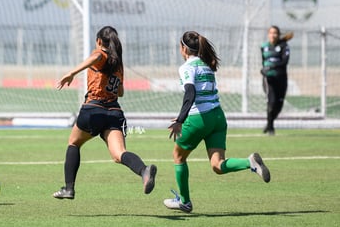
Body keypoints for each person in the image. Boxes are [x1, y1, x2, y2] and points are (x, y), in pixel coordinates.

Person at [163, 31, 271, 213]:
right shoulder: (206, 64)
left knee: (178, 156)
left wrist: (180, 120)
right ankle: (249, 162)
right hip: (218, 118)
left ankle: (185, 201)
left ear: (183, 48)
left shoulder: (186, 67)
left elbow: (190, 93)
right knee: (217, 165)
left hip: (200, 119)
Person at [53, 26, 157, 200]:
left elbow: (96, 57)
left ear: (99, 41)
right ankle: (143, 170)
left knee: (73, 142)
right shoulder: (118, 63)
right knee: (119, 154)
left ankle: (68, 188)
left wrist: (71, 73)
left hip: (94, 110)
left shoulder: (101, 55)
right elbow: (121, 92)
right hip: (114, 113)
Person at [260, 26, 291, 135]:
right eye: (271, 33)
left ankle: (269, 122)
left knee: (279, 105)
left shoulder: (284, 46)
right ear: (268, 34)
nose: (273, 35)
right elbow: (263, 62)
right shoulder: (264, 47)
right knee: (271, 102)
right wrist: (263, 70)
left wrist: (271, 67)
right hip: (269, 79)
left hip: (281, 79)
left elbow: (284, 62)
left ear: (278, 35)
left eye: (275, 33)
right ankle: (271, 128)